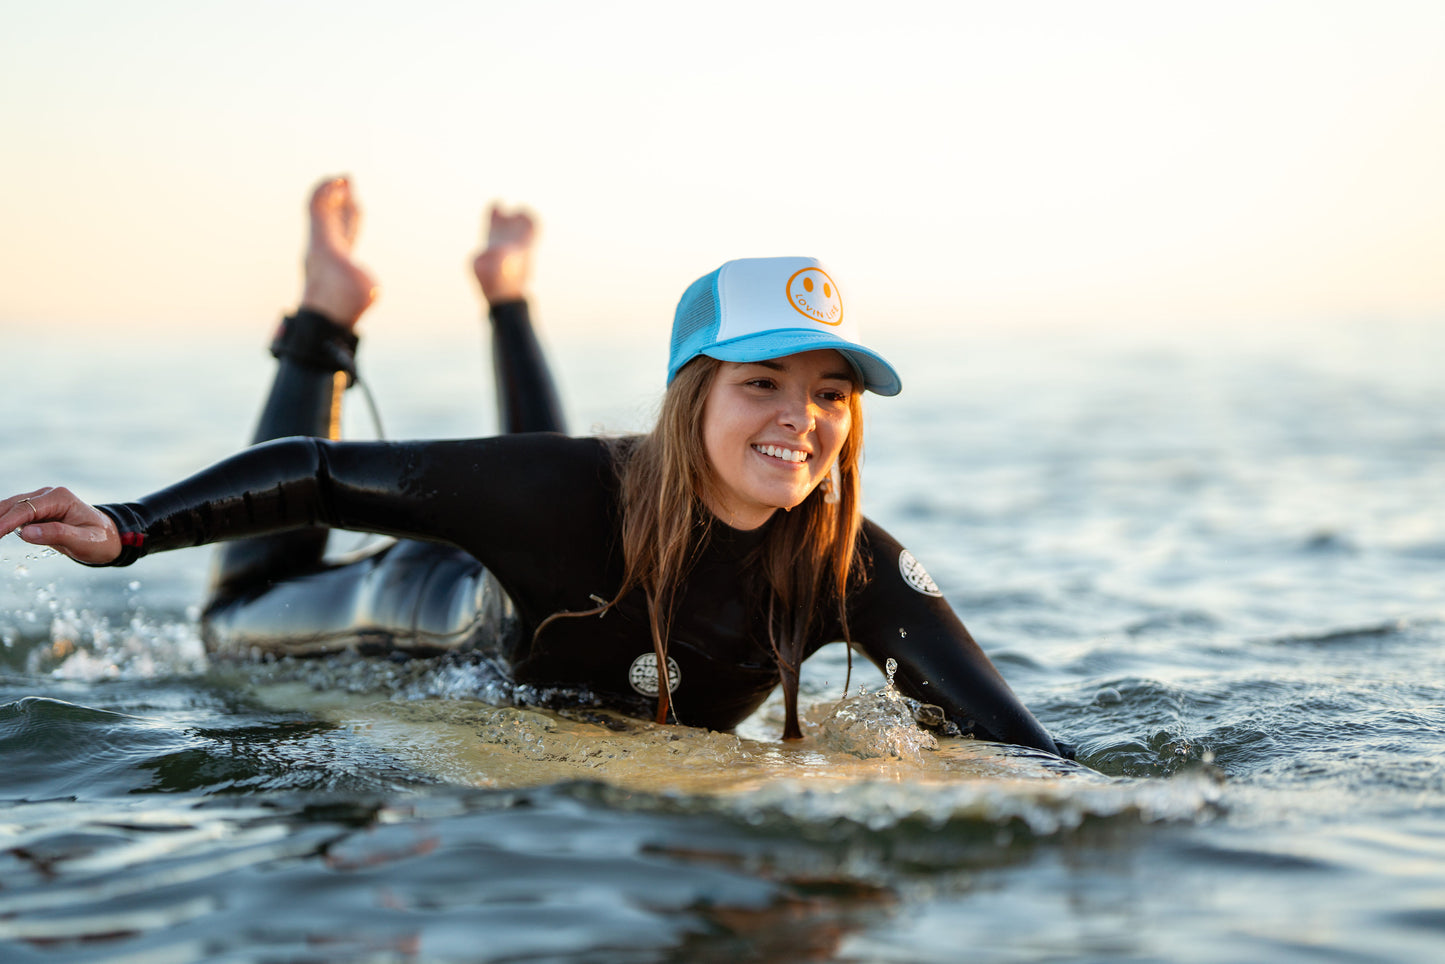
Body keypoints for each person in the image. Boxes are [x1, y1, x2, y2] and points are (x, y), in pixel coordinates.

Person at [2, 177, 1068, 756]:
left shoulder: (852, 566)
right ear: (694, 392)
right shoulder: (577, 491)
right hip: (395, 619)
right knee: (232, 618)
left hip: (538, 579)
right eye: (761, 385)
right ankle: (327, 313)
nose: (802, 421)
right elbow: (319, 471)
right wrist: (129, 528)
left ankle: (504, 286)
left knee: (572, 488)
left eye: (828, 394)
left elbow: (1017, 743)